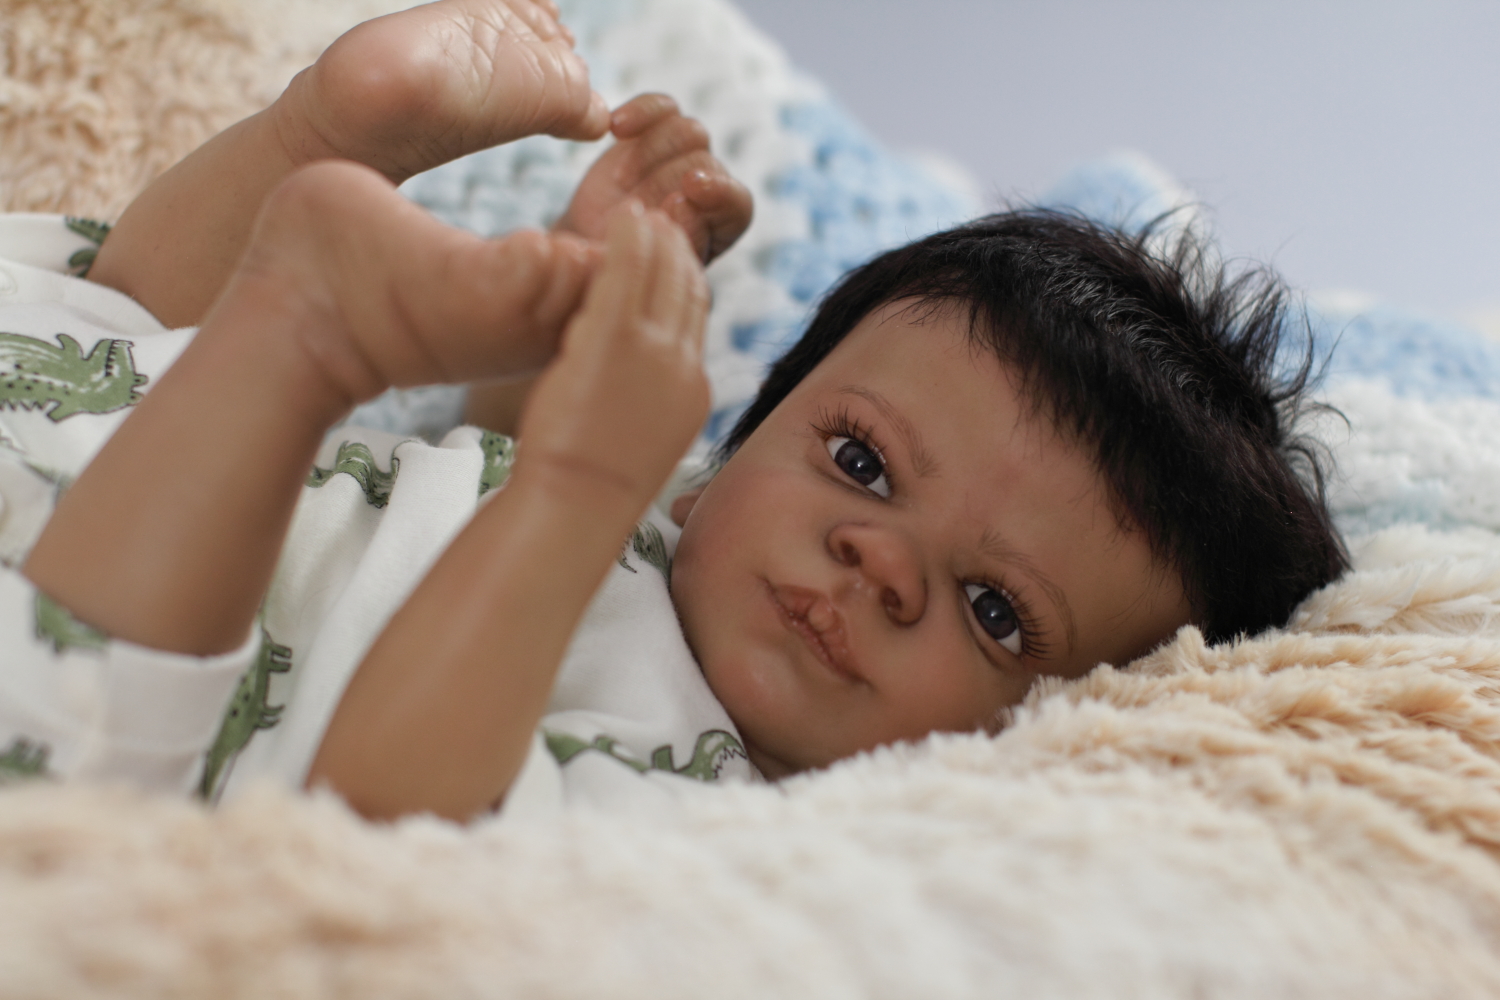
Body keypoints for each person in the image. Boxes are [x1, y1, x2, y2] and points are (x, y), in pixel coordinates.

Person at [0, 0, 1345, 823]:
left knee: (96, 738)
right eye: (862, 462)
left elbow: (378, 829)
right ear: (716, 465)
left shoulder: (696, 799)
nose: (878, 562)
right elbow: (493, 461)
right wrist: (579, 315)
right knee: (119, 329)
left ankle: (298, 303)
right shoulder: (647, 530)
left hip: (78, 673)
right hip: (59, 416)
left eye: (996, 611)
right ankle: (331, 131)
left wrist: (578, 484)